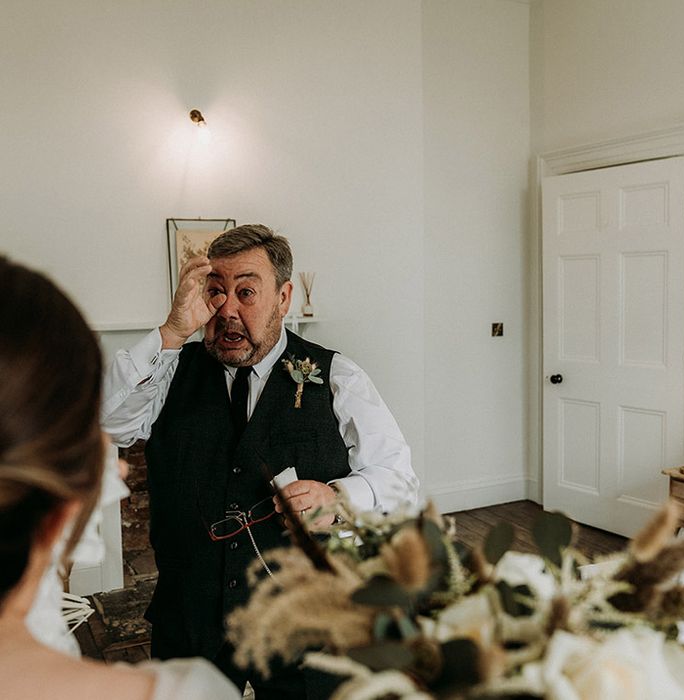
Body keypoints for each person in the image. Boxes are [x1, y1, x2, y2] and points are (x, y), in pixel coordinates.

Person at [102, 223, 419, 697]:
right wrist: (171, 332)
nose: (227, 310)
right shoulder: (171, 370)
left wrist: (338, 497)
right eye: (215, 292)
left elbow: (399, 478)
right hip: (189, 615)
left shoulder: (339, 376)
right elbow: (111, 424)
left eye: (246, 292)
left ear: (284, 297)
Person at [0, 256, 240, 700]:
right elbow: (119, 420)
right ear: (61, 501)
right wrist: (173, 333)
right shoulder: (181, 692)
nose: (121, 468)